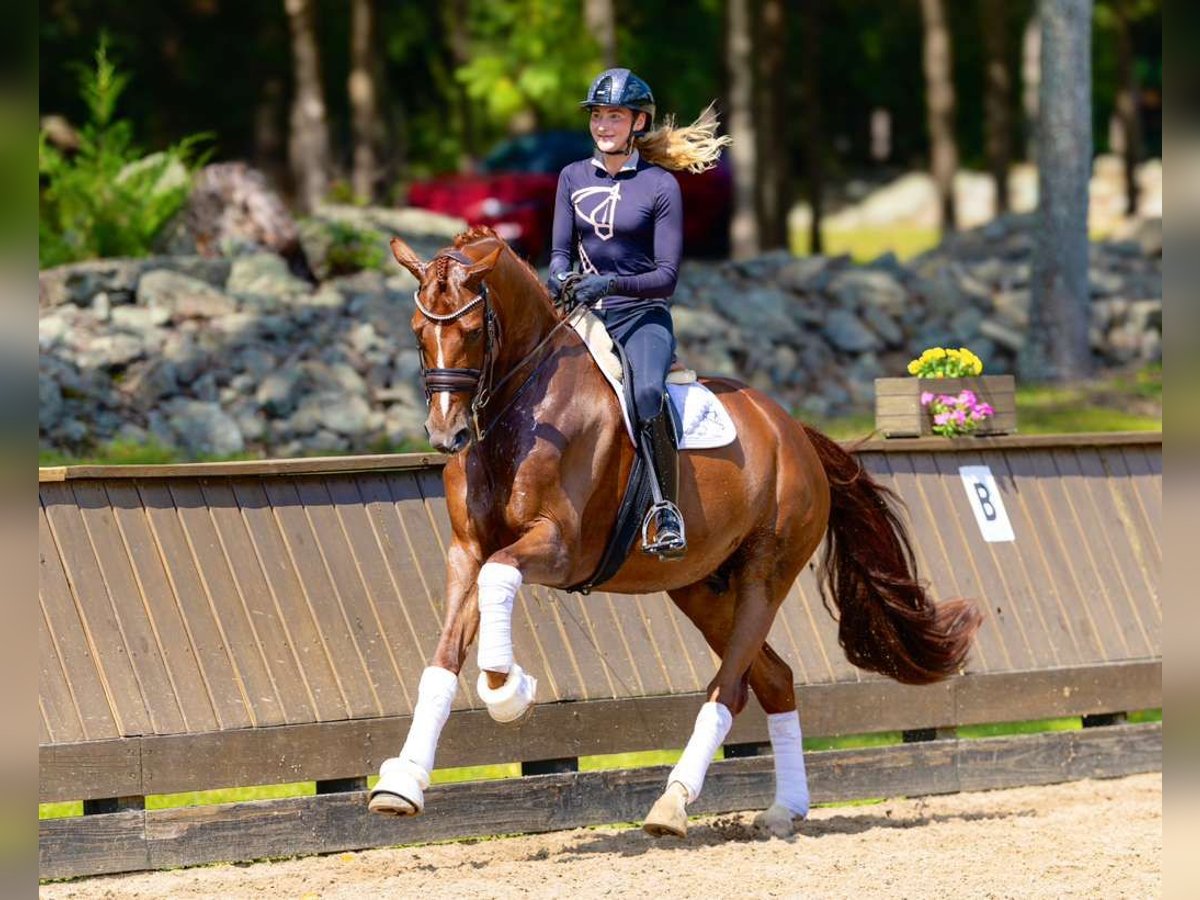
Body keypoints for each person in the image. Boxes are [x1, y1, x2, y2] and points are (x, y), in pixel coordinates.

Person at [547, 68, 731, 560]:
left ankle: (663, 507)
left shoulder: (659, 186)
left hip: (640, 315)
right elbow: (560, 250)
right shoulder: (571, 177)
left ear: (638, 122)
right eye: (597, 115)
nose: (603, 125)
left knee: (647, 391)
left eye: (614, 116)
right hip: (583, 313)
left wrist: (612, 282)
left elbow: (667, 276)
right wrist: (559, 275)